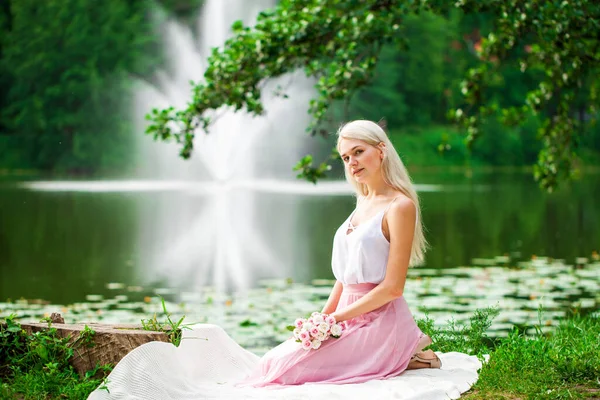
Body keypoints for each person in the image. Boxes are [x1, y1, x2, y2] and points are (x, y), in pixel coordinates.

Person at [238, 119, 440, 387]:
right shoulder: (362, 201)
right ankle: (407, 355)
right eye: (346, 157)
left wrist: (334, 319)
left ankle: (406, 352)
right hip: (345, 317)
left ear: (381, 150)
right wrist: (319, 322)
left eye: (358, 152)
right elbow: (345, 279)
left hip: (379, 321)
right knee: (274, 362)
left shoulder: (399, 206)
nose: (352, 162)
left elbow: (393, 288)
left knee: (289, 374)